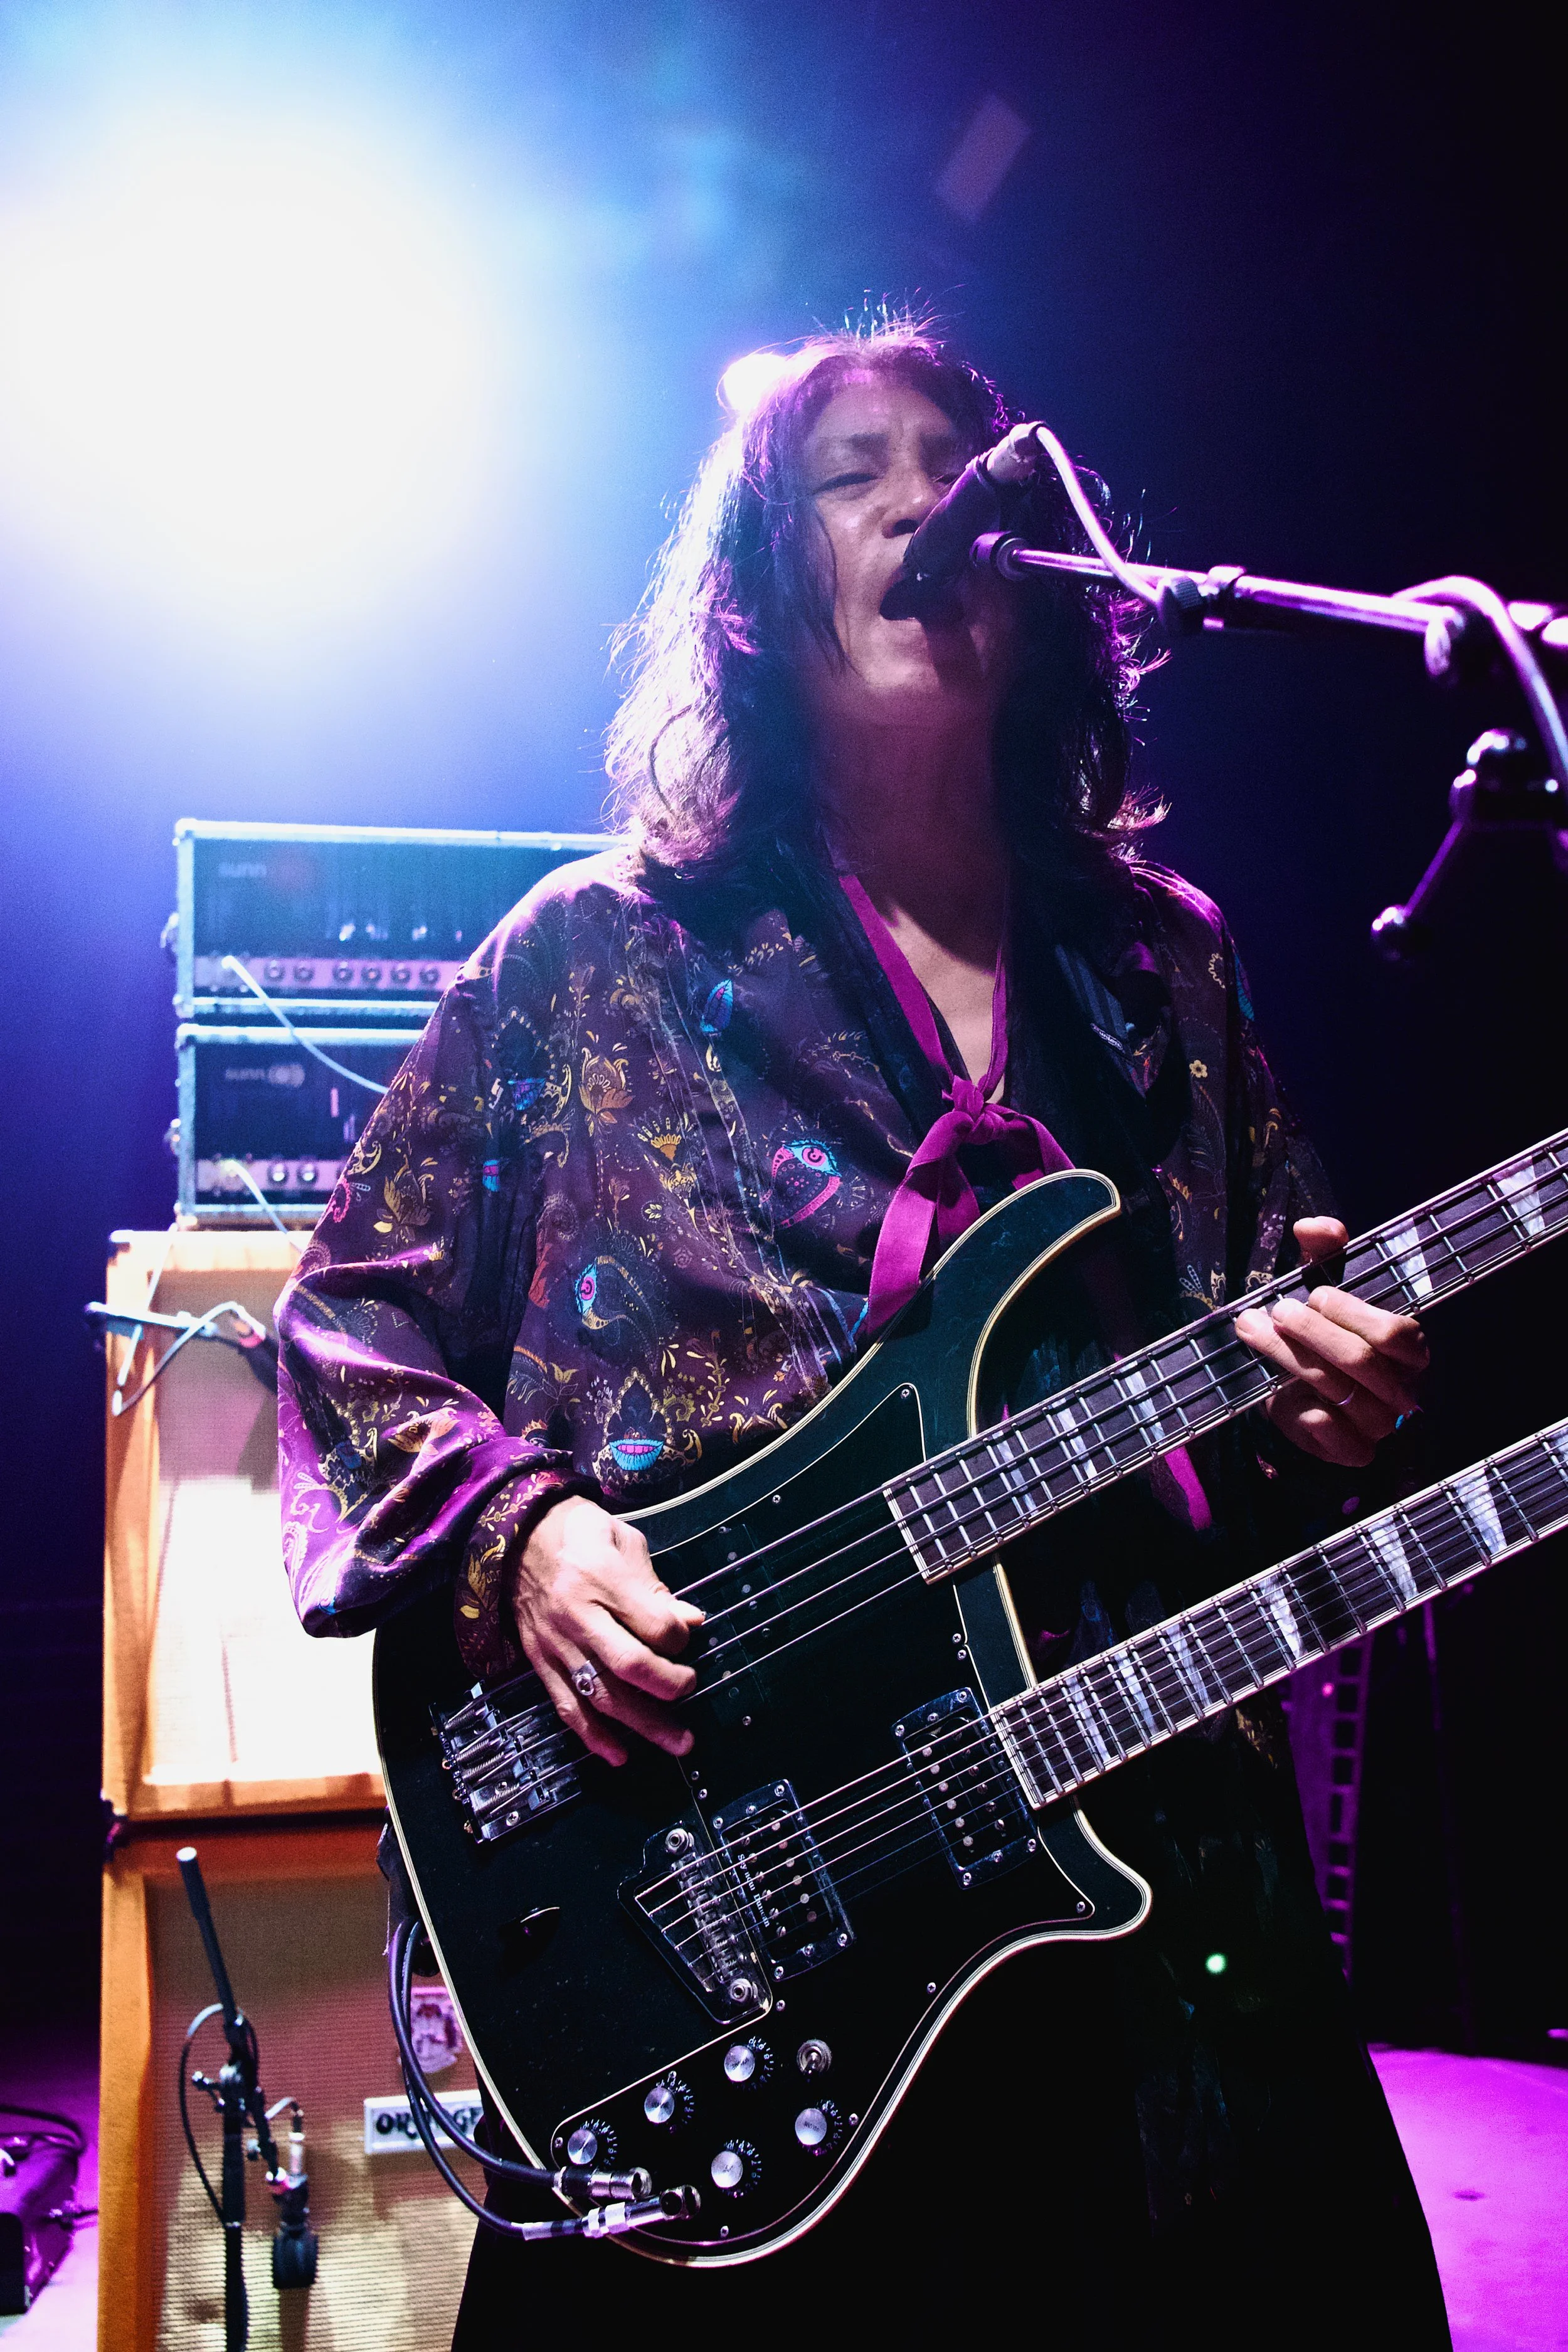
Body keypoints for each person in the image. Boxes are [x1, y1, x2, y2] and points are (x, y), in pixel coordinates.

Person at [275, 323, 1446, 2343]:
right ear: (745, 592)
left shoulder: (1157, 966)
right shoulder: (595, 956)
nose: (931, 502)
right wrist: (521, 1535)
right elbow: (352, 1319)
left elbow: (1229, 1410)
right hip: (749, 1882)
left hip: (1135, 1856)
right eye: (856, 472)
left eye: (967, 466)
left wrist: (1325, 1412)